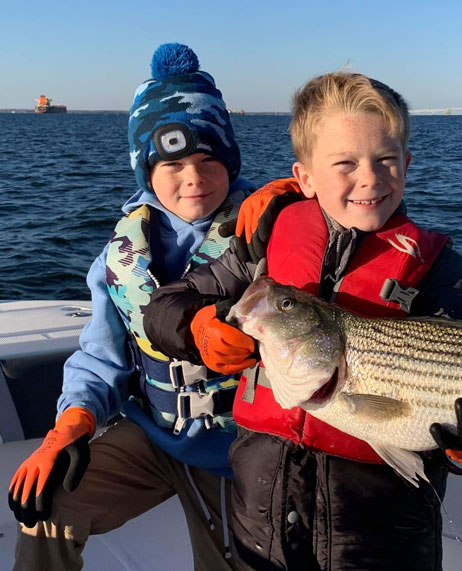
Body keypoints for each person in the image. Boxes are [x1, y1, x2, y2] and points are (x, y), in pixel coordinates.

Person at [143, 72, 462, 571]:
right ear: (304, 177)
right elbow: (165, 305)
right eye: (344, 163)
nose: (369, 178)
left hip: (382, 542)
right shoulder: (265, 241)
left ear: (407, 165)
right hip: (258, 529)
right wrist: (197, 328)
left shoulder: (440, 273)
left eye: (386, 160)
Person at [7, 43, 256, 571]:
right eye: (173, 163)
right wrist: (69, 426)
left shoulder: (270, 234)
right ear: (145, 170)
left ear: (231, 161)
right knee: (48, 504)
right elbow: (101, 362)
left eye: (209, 159)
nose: (194, 177)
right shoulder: (119, 258)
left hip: (243, 451)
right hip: (153, 437)